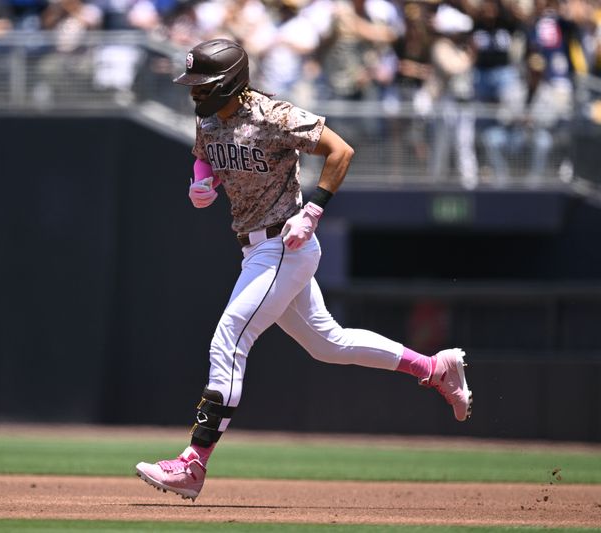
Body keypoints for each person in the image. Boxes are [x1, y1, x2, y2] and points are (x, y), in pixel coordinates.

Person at [134, 38, 473, 502]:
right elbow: (205, 154)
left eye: (203, 84)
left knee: (230, 339)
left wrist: (312, 210)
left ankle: (194, 464)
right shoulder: (210, 118)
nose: (195, 93)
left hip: (284, 243)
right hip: (255, 248)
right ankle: (434, 367)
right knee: (328, 343)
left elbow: (341, 151)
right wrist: (201, 180)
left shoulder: (274, 115)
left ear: (229, 83)